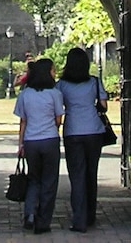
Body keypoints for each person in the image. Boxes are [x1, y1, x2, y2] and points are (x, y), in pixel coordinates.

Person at [55, 47, 108, 232]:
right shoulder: (94, 81)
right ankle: (90, 215)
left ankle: (79, 219)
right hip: (94, 131)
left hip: (73, 131)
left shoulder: (61, 84)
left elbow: (56, 105)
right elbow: (103, 105)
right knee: (91, 174)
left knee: (77, 176)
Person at [13, 58, 63, 234]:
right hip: (49, 140)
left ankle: (29, 213)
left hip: (31, 141)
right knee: (49, 181)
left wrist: (20, 143)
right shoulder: (54, 94)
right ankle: (43, 221)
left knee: (34, 179)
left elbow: (23, 121)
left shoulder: (25, 94)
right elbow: (58, 119)